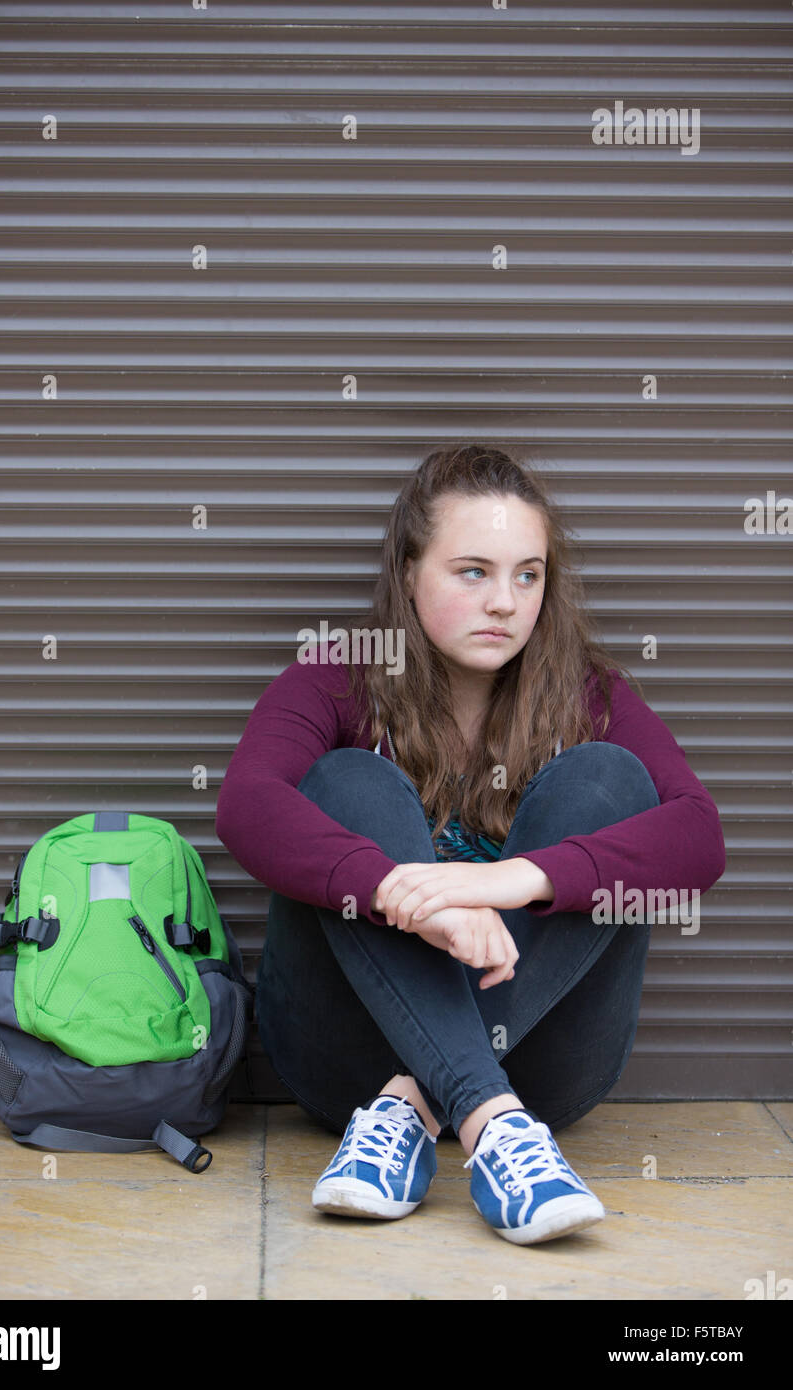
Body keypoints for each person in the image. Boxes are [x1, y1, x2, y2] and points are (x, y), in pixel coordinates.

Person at [215, 443, 726, 1245]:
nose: (505, 602)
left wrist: (513, 881)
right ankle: (495, 1128)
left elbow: (699, 835)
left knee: (611, 782)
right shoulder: (341, 676)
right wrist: (400, 895)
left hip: (537, 1059)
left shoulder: (584, 691)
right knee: (347, 782)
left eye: (528, 574)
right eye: (472, 572)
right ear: (409, 570)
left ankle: (419, 1105)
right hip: (345, 1064)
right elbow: (246, 806)